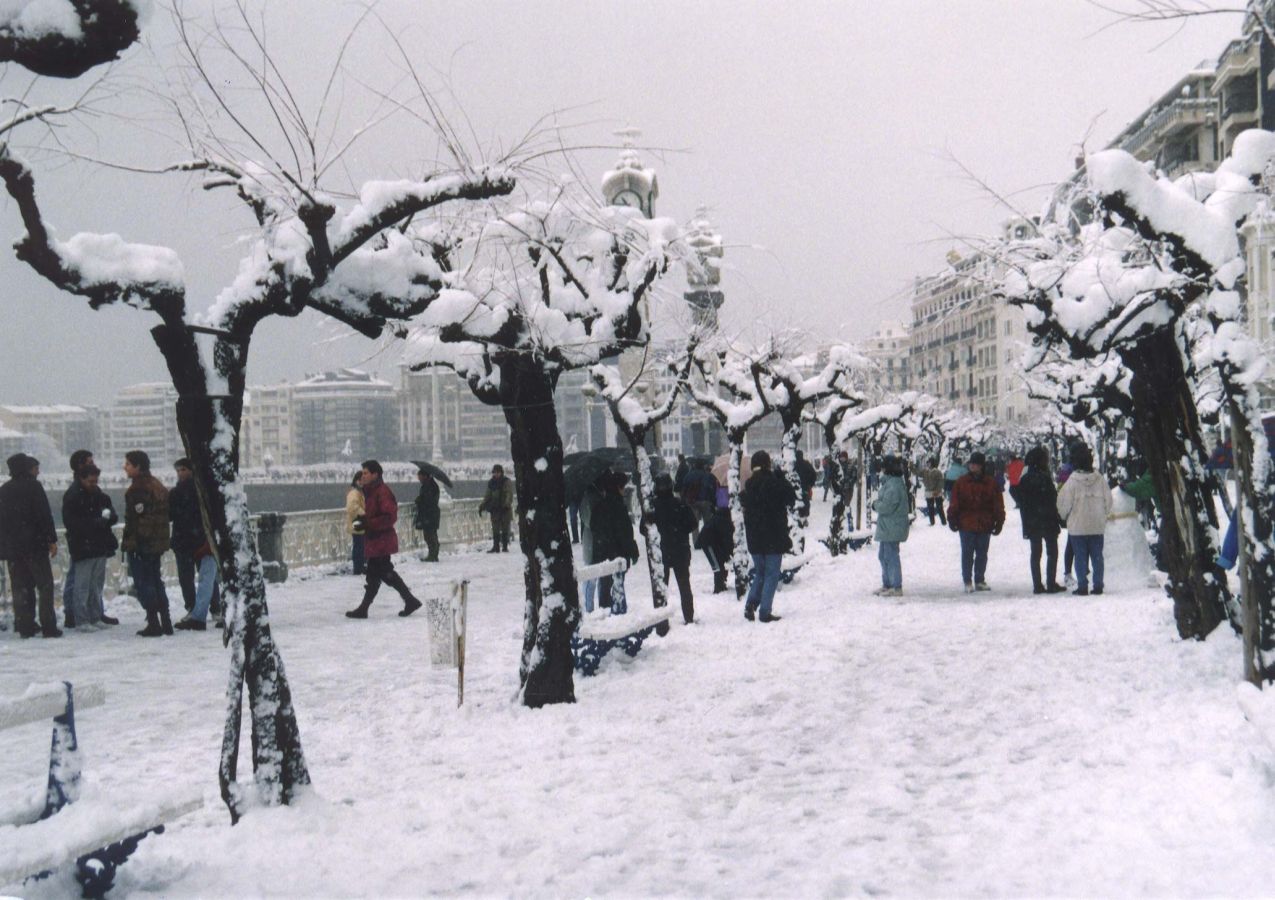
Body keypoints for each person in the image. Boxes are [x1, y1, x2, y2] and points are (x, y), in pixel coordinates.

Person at [345, 459, 422, 619]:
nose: (363, 476)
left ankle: (409, 600)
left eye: (366, 473)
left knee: (384, 573)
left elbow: (389, 516)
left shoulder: (382, 491)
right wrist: (366, 523)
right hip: (376, 540)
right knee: (375, 575)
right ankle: (366, 608)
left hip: (381, 540)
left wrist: (367, 524)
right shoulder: (371, 491)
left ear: (375, 474)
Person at [0, 453, 61, 638]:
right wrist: (51, 540)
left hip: (13, 549)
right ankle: (48, 625)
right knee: (44, 585)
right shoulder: (34, 487)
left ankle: (25, 625)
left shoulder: (4, 490)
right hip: (35, 545)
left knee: (20, 587)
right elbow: (43, 515)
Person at [122, 450, 173, 637]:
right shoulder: (156, 485)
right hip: (157, 543)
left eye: (128, 464)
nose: (124, 467)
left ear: (138, 466)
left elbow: (140, 520)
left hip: (143, 545)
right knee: (156, 581)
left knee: (145, 583)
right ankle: (166, 621)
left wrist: (136, 542)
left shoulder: (139, 489)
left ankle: (153, 622)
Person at [61, 463, 118, 630]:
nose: (94, 484)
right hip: (84, 546)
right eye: (91, 481)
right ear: (81, 478)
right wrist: (97, 522)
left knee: (95, 584)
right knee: (82, 585)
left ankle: (94, 616)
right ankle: (82, 620)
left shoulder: (97, 494)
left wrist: (109, 518)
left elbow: (110, 512)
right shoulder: (72, 496)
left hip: (97, 545)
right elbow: (72, 523)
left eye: (95, 481)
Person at [741, 450, 793, 622]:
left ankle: (751, 603)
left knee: (760, 573)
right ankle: (764, 611)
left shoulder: (749, 486)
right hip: (773, 537)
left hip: (755, 539)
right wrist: (781, 478)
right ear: (768, 464)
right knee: (772, 574)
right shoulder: (774, 483)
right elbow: (791, 497)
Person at [1056, 444, 1112, 596]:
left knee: (1080, 557)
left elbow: (1063, 504)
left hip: (1077, 527)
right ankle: (1098, 584)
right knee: (1097, 556)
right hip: (1097, 526)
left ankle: (1082, 586)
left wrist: (1064, 516)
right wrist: (1103, 514)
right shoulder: (1100, 479)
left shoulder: (1072, 482)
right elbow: (1109, 501)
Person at [1009, 446, 1065, 594]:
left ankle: (1037, 585)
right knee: (1052, 551)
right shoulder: (1045, 477)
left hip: (1032, 521)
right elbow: (1054, 499)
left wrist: (1025, 506)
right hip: (1048, 519)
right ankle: (1051, 583)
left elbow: (1014, 491)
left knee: (1036, 553)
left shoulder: (1025, 478)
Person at [946, 451, 1004, 592]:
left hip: (984, 523)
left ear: (981, 466)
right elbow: (955, 502)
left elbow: (997, 503)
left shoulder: (990, 483)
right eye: (971, 464)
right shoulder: (962, 482)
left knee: (982, 553)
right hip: (966, 523)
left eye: (976, 464)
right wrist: (952, 518)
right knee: (967, 553)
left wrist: (999, 520)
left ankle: (979, 579)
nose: (973, 466)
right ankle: (967, 580)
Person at [651, 472, 698, 624]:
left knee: (661, 587)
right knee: (684, 586)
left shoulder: (653, 507)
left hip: (661, 552)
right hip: (680, 550)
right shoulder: (680, 504)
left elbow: (643, 529)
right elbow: (693, 524)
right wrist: (679, 530)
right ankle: (688, 617)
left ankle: (662, 620)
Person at [590, 471, 639, 614]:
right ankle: (618, 613)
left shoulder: (599, 506)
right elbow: (626, 534)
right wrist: (632, 552)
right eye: (622, 487)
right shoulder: (619, 507)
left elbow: (594, 527)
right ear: (617, 487)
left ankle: (605, 611)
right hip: (617, 554)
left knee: (605, 586)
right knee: (618, 586)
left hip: (602, 554)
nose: (624, 490)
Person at [61, 448, 94, 628]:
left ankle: (81, 612)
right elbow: (72, 520)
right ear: (80, 466)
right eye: (89, 462)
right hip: (81, 540)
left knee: (82, 578)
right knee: (76, 577)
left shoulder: (83, 487)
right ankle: (71, 613)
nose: (93, 465)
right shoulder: (76, 491)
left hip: (84, 540)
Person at [872, 455, 910, 596]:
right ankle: (887, 584)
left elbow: (887, 506)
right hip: (888, 527)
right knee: (883, 555)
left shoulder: (893, 485)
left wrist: (875, 505)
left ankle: (896, 586)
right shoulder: (891, 483)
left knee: (891, 556)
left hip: (892, 527)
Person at [169, 458, 204, 613]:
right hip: (197, 538)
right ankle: (210, 607)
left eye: (183, 470)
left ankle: (193, 607)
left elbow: (170, 515)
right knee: (202, 576)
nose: (180, 473)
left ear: (191, 470)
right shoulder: (201, 490)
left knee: (189, 577)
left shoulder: (176, 493)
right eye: (178, 470)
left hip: (185, 539)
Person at [176, 540, 219, 631]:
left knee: (206, 579)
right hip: (204, 542)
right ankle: (200, 615)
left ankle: (198, 617)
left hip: (203, 543)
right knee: (208, 578)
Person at [479, 464, 514, 553]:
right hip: (495, 509)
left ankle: (505, 546)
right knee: (495, 528)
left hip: (504, 509)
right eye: (495, 472)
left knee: (505, 528)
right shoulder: (491, 483)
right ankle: (496, 546)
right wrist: (482, 505)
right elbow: (487, 495)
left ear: (501, 472)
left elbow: (509, 494)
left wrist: (506, 504)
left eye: (497, 472)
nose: (496, 474)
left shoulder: (506, 481)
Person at [413, 468, 441, 562]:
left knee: (429, 535)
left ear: (424, 476)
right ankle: (433, 554)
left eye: (419, 476)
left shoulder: (429, 486)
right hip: (431, 514)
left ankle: (432, 555)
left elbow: (428, 500)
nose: (418, 478)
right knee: (431, 535)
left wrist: (419, 500)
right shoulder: (430, 485)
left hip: (429, 514)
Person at [346, 472, 366, 575]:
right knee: (359, 546)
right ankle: (358, 568)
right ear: (357, 480)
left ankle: (360, 566)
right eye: (362, 479)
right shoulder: (354, 493)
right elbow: (352, 507)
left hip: (360, 523)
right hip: (357, 523)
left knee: (361, 546)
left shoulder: (360, 492)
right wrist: (364, 513)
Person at [920, 457, 946, 526]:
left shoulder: (937, 472)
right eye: (927, 463)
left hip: (936, 492)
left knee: (939, 507)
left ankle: (943, 522)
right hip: (929, 492)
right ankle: (932, 522)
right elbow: (918, 472)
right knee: (930, 507)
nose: (928, 464)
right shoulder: (925, 471)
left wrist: (937, 491)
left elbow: (941, 482)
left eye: (929, 463)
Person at [794, 450, 818, 520]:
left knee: (799, 501)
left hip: (798, 487)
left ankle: (800, 516)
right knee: (805, 501)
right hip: (805, 486)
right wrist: (810, 484)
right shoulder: (806, 464)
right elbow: (813, 474)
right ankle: (804, 516)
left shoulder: (794, 465)